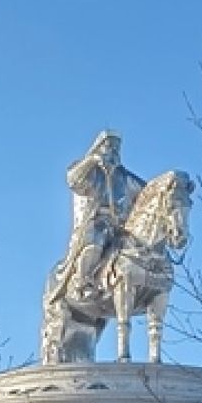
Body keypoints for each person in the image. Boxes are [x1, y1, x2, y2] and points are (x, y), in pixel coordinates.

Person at [48, 131, 145, 305]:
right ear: (99, 147)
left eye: (117, 146)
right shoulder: (92, 171)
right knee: (94, 243)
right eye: (109, 145)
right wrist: (92, 160)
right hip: (97, 220)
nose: (114, 150)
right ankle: (82, 282)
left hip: (122, 227)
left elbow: (146, 191)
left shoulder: (124, 176)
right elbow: (73, 180)